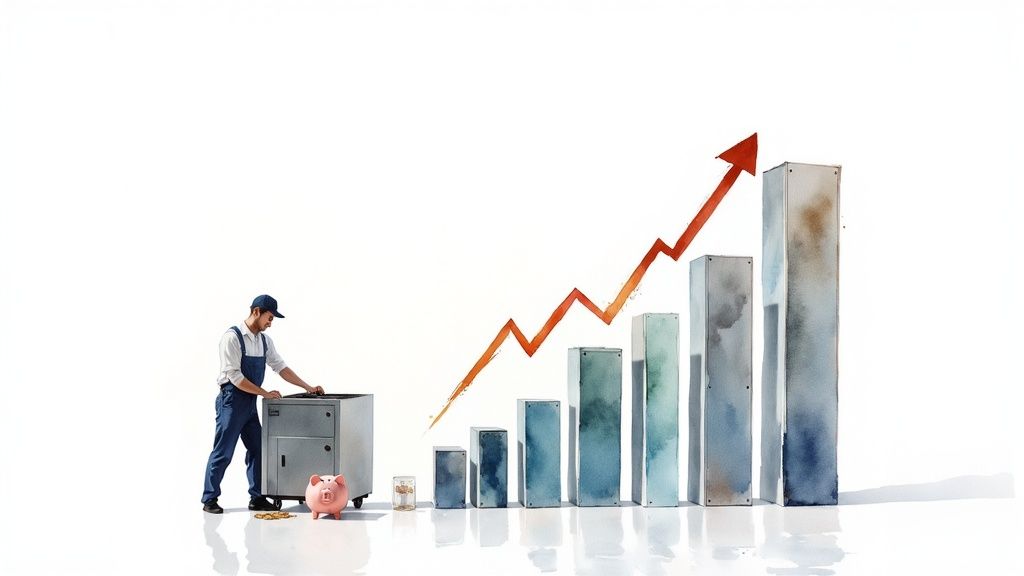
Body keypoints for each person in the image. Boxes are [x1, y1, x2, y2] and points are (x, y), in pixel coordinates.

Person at [201, 294, 324, 514]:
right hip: (231, 401)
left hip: (249, 403)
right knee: (223, 451)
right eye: (269, 317)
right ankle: (209, 498)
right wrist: (265, 393)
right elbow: (236, 378)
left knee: (258, 448)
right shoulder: (232, 338)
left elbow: (281, 367)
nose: (271, 322)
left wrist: (307, 387)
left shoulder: (264, 341)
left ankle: (256, 497)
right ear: (256, 312)